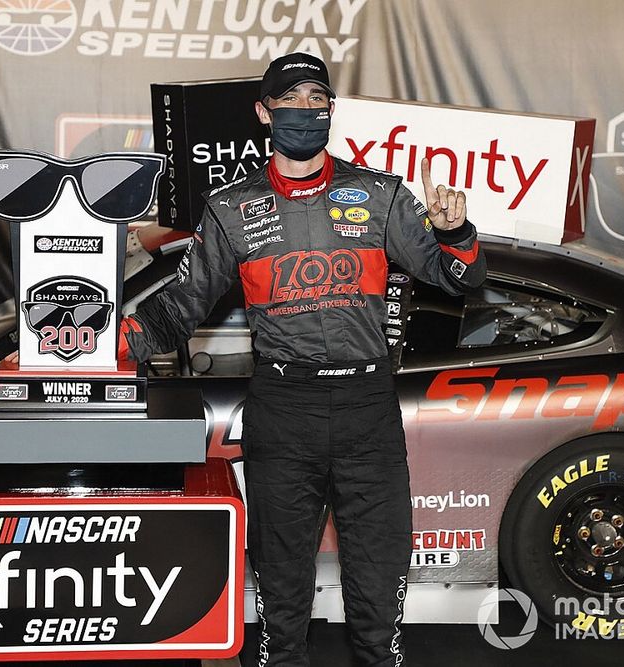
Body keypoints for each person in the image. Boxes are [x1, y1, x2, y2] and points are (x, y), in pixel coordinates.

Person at [120, 52, 486, 667]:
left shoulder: (380, 196)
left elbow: (459, 280)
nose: (305, 111)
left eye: (317, 100)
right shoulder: (232, 207)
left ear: (331, 112)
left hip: (368, 409)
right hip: (284, 410)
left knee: (378, 599)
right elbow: (180, 306)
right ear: (264, 113)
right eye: (290, 100)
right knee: (282, 599)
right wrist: (95, 345)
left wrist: (455, 233)